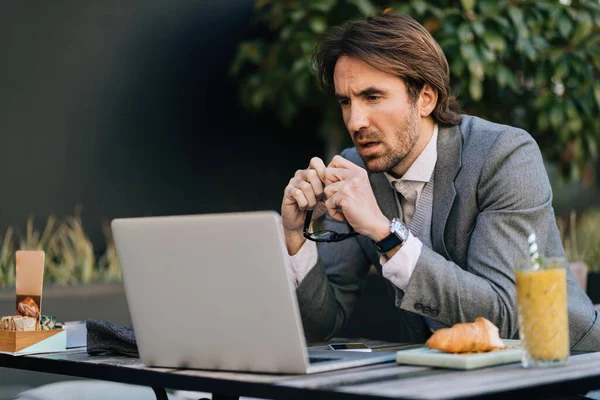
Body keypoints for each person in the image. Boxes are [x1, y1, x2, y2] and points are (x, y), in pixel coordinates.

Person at [280, 11, 600, 350]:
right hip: (444, 375)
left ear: (426, 99)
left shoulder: (504, 155)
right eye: (346, 101)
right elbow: (321, 326)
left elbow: (505, 317)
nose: (355, 120)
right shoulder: (355, 172)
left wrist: (386, 234)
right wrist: (296, 237)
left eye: (373, 97)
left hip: (564, 368)